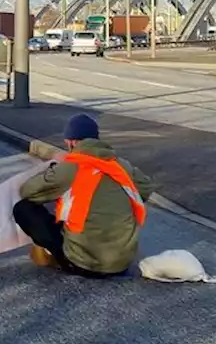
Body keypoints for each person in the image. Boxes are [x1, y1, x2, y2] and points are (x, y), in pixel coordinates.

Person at [12, 113, 156, 278]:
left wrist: (52, 171)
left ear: (73, 141)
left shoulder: (70, 168)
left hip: (84, 263)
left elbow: (28, 191)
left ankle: (56, 255)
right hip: (121, 264)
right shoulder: (121, 165)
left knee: (24, 208)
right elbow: (145, 188)